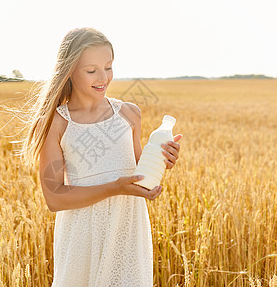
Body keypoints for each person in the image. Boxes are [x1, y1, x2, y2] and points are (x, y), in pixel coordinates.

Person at [19, 27, 182, 286]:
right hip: (82, 235)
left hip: (127, 229)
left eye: (108, 67)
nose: (103, 77)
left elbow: (140, 176)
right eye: (91, 70)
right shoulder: (56, 124)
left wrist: (162, 160)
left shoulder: (129, 113)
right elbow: (54, 197)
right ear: (69, 71)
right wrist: (115, 187)